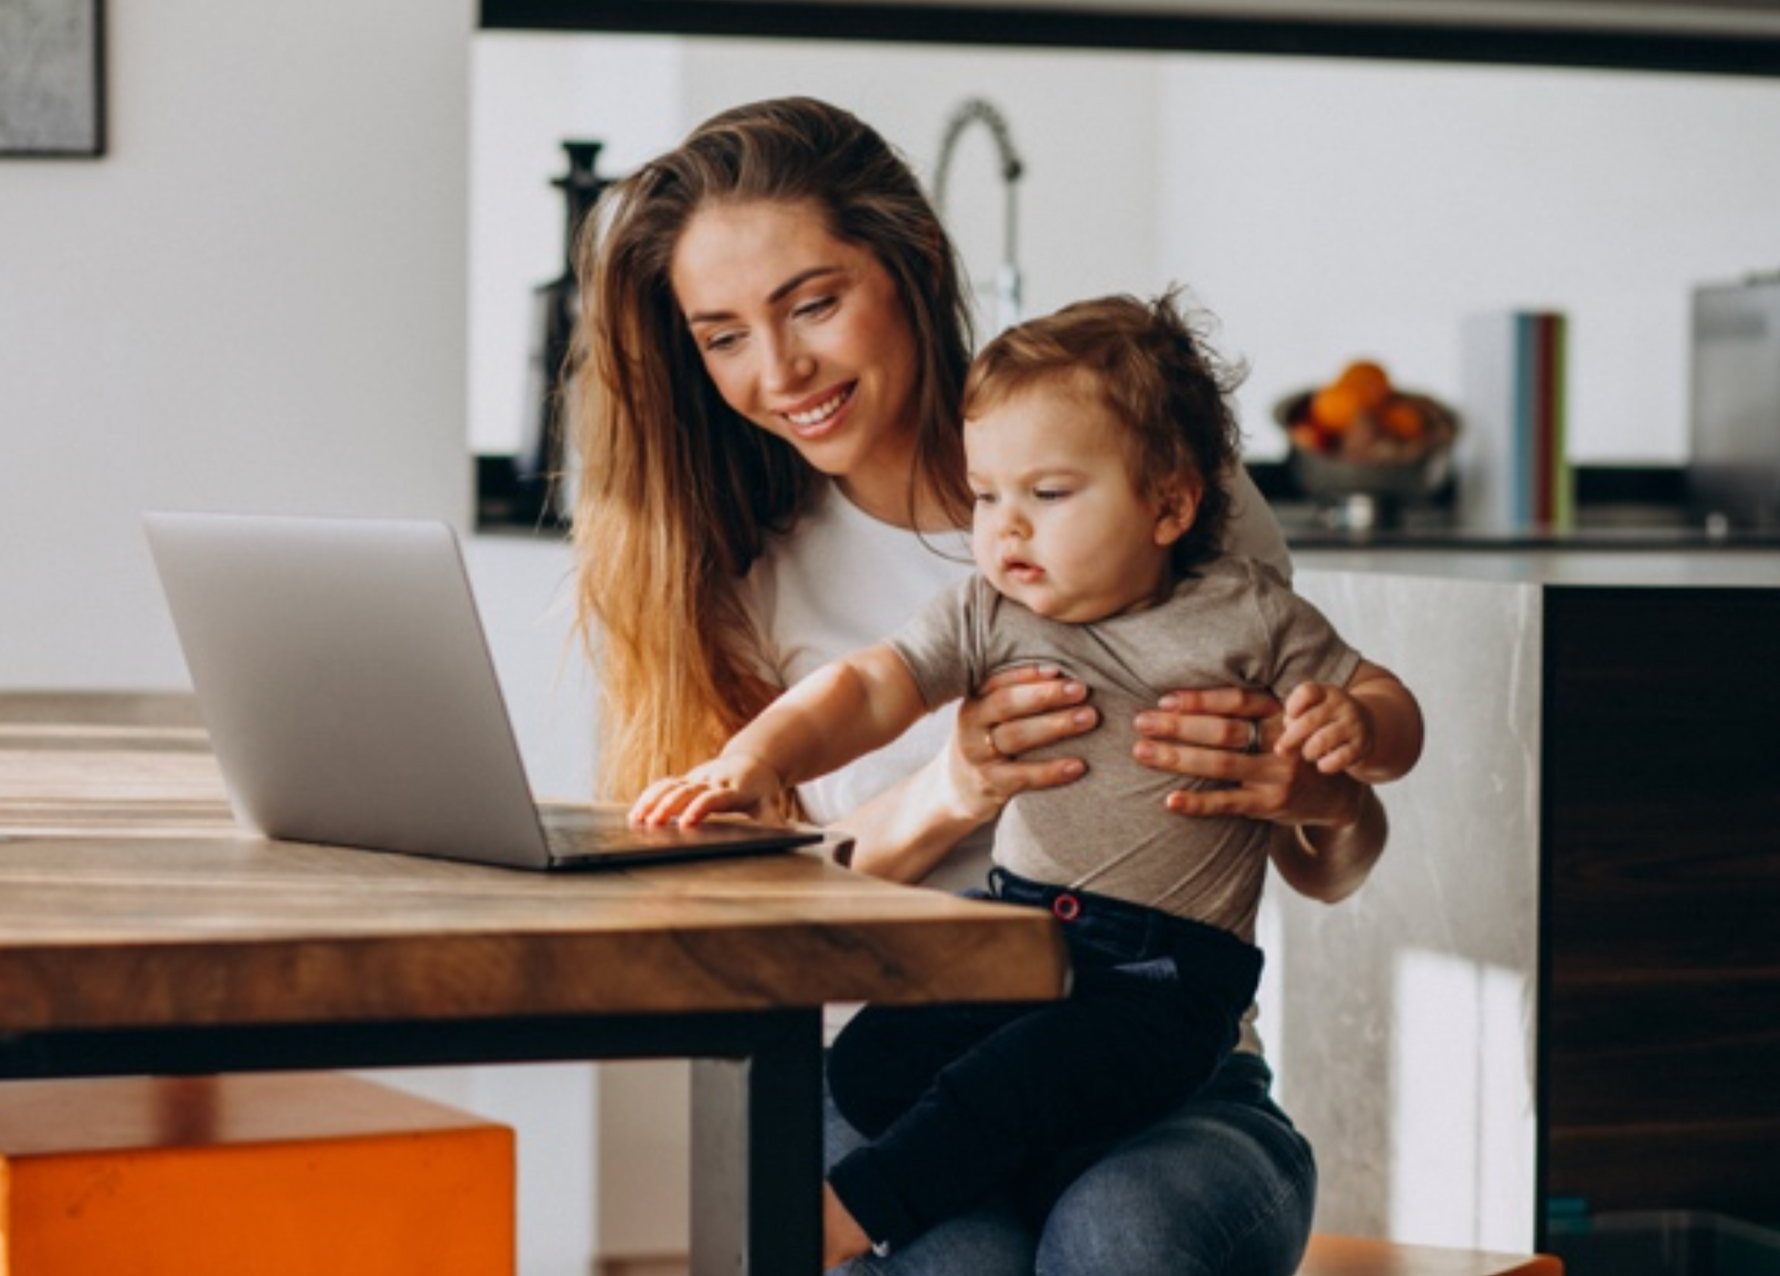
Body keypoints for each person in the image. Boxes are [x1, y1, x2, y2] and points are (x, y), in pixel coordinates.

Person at [569, 95, 1395, 1276]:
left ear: (910, 266)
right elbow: (746, 920)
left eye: (813, 304)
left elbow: (1334, 859)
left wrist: (1323, 796)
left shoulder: (1154, 492)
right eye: (723, 335)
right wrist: (948, 789)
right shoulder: (748, 575)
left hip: (1165, 1070)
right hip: (903, 1070)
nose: (781, 368)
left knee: (1125, 1240)